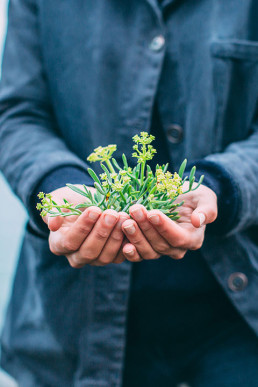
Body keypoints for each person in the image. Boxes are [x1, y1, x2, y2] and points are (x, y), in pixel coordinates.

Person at [0, 0, 258, 386]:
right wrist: (60, 189)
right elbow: (19, 113)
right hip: (76, 325)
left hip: (236, 319)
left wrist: (219, 186)